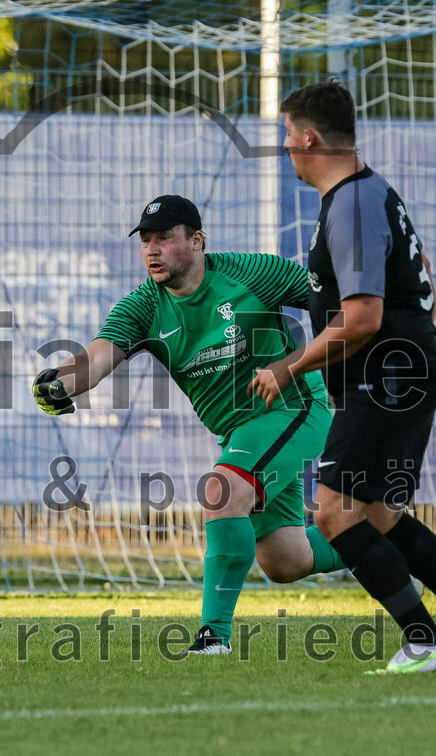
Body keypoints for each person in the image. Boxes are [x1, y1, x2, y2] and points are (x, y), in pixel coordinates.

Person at [250, 81, 436, 673]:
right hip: (400, 371)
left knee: (335, 514)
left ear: (308, 138)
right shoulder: (367, 191)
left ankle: (422, 641)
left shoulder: (353, 201)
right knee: (381, 514)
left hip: (384, 379)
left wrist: (290, 368)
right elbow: (424, 277)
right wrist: (427, 343)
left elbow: (364, 316)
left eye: (288, 135)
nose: (286, 147)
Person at [33, 194, 344, 655]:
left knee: (222, 491)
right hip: (241, 433)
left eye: (164, 238)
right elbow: (96, 359)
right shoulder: (143, 307)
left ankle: (212, 638)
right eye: (145, 241)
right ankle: (383, 543)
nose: (152, 250)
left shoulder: (250, 273)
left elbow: (338, 306)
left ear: (196, 241)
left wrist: (296, 362)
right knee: (286, 561)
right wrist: (59, 382)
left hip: (294, 407)